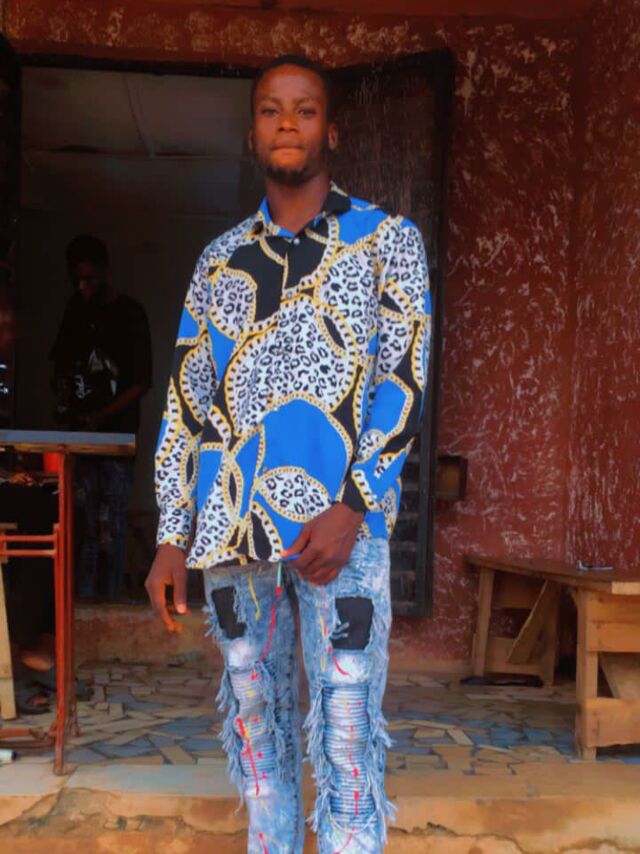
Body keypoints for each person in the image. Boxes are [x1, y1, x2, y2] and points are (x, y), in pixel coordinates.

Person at [147, 54, 431, 854]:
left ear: (330, 130)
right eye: (271, 110)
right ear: (251, 134)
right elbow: (187, 401)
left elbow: (403, 381)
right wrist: (172, 535)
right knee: (257, 734)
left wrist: (355, 503)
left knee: (347, 728)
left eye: (305, 110)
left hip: (342, 533)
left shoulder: (387, 242)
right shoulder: (218, 261)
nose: (287, 123)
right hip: (233, 530)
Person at [50, 236, 152, 600]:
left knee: (112, 527)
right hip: (80, 441)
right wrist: (65, 404)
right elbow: (60, 366)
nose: (83, 287)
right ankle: (81, 608)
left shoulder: (131, 315)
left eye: (89, 279)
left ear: (106, 272)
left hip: (117, 441)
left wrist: (101, 416)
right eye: (77, 280)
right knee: (84, 527)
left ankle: (107, 607)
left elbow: (142, 381)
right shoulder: (75, 311)